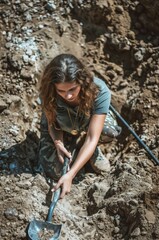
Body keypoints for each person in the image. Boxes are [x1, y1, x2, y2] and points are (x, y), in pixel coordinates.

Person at [37, 53, 121, 198]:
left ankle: (89, 151)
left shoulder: (100, 91)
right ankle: (71, 143)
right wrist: (58, 142)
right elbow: (51, 123)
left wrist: (71, 173)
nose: (68, 96)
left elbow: (92, 137)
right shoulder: (48, 92)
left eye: (72, 89)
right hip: (61, 126)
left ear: (82, 82)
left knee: (108, 131)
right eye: (61, 91)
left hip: (88, 126)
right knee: (55, 172)